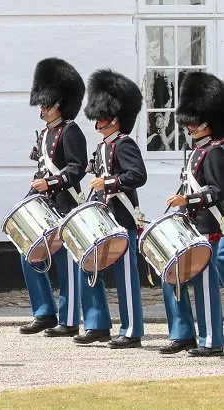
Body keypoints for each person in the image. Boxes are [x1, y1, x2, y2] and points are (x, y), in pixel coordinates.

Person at [77, 69, 146, 349]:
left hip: (121, 218)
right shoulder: (104, 145)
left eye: (102, 118)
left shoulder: (125, 144)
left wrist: (108, 181)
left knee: (125, 276)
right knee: (89, 267)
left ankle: (131, 330)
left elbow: (138, 175)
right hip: (102, 219)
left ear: (116, 119)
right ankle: (97, 323)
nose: (98, 122)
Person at [18, 58, 87, 337]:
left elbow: (76, 168)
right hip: (44, 203)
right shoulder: (46, 133)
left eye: (46, 104)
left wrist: (51, 183)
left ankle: (69, 319)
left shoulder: (70, 131)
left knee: (66, 263)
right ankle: (44, 311)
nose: (42, 109)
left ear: (60, 103)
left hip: (65, 203)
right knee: (28, 253)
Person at [161, 71, 224, 357]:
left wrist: (188, 198)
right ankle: (183, 333)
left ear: (207, 122)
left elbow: (217, 191)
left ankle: (212, 340)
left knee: (206, 286)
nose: (189, 128)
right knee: (175, 278)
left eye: (193, 123)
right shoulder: (197, 151)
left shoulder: (214, 152)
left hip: (210, 228)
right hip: (192, 228)